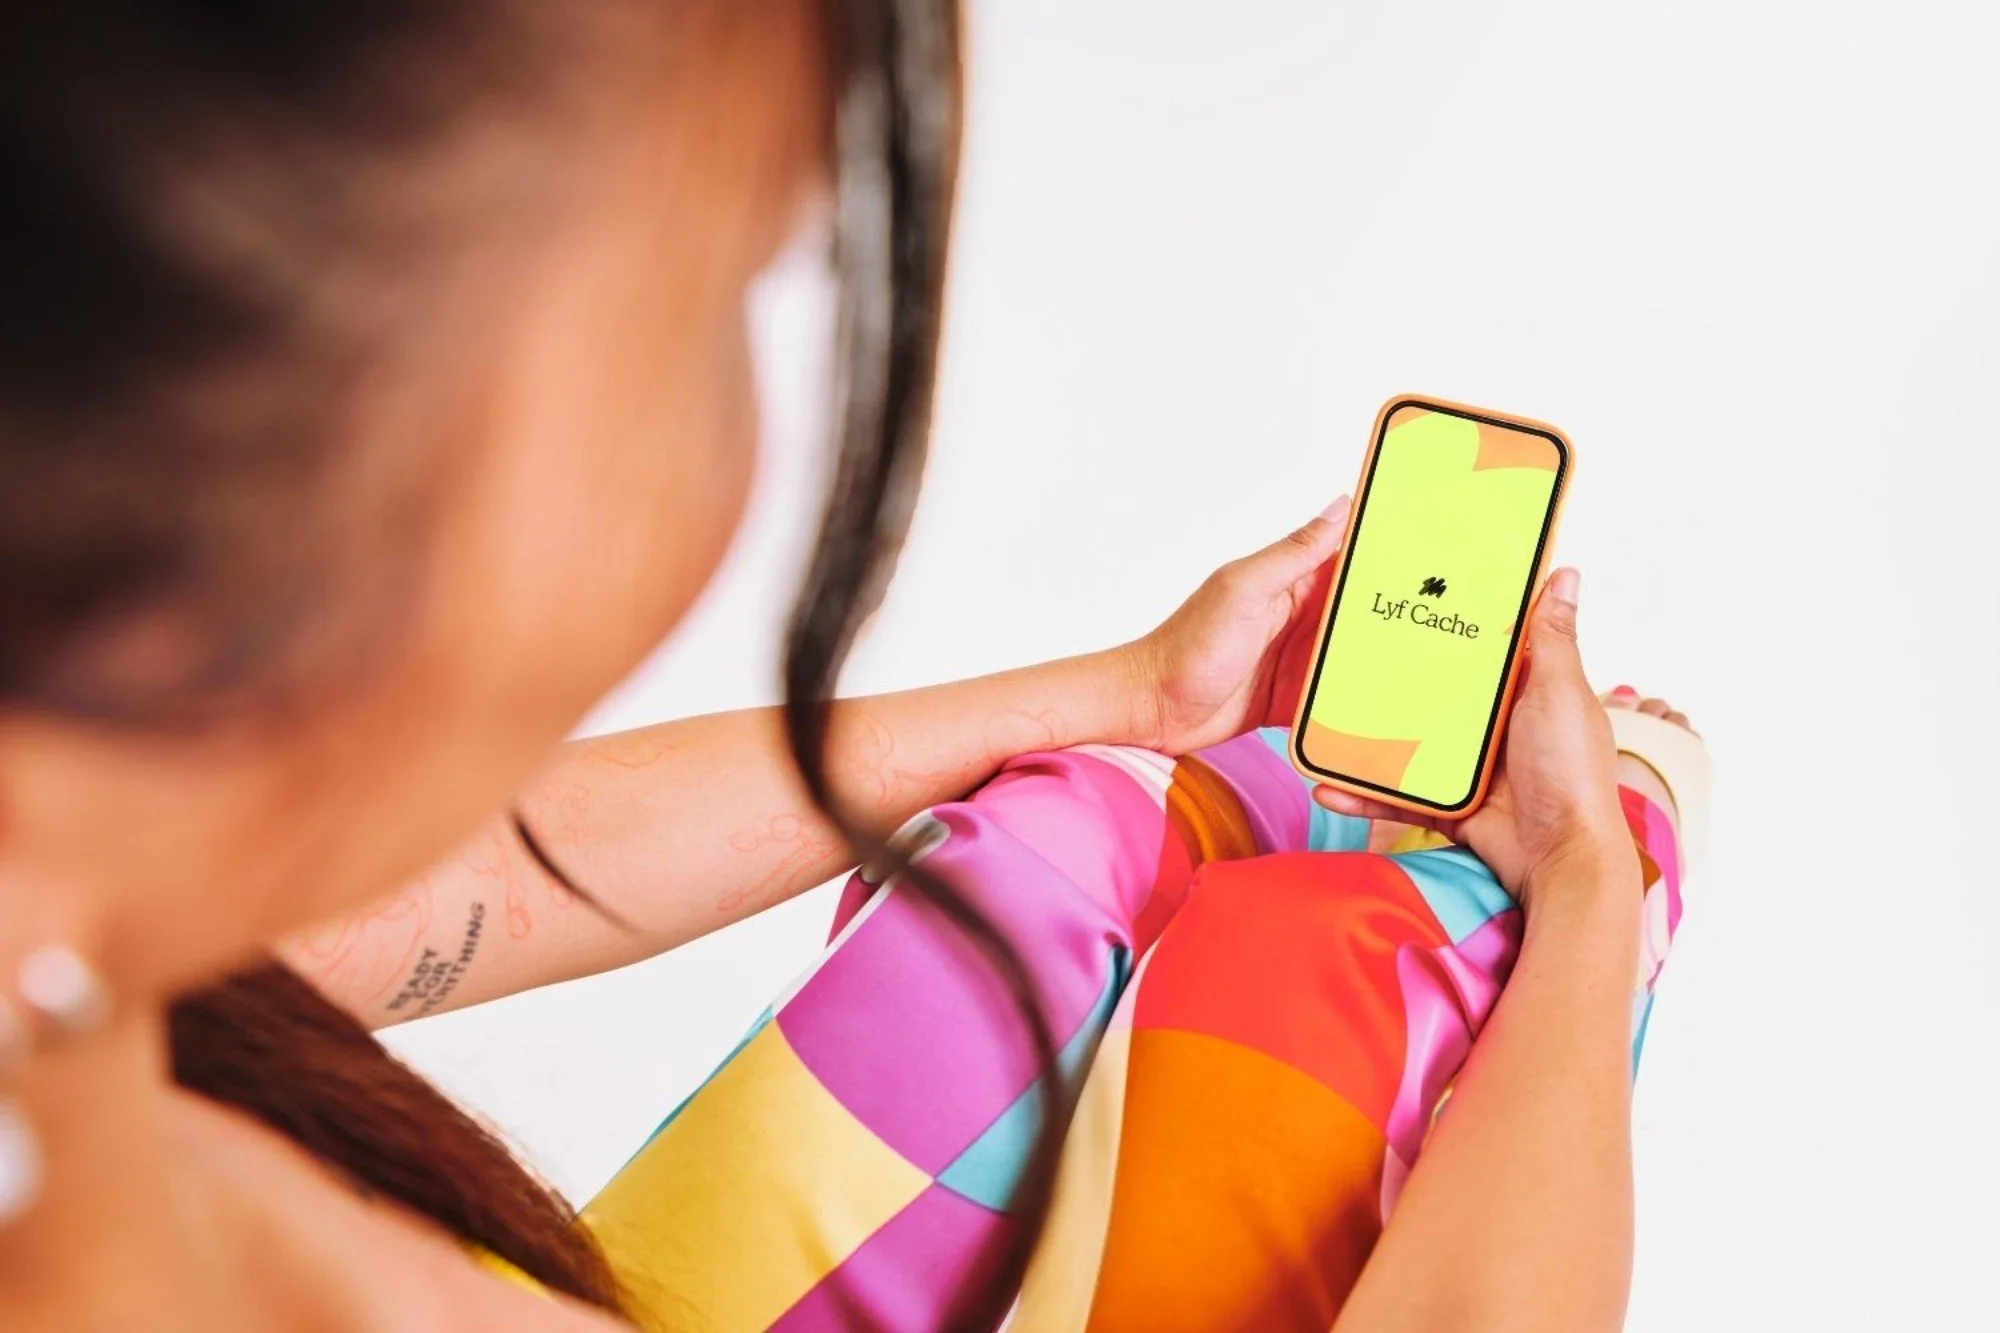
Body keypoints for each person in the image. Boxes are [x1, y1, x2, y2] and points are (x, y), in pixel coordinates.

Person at [0, 4, 1708, 1332]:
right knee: (1415, 909)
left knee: (1084, 836)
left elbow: (463, 887)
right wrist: (1588, 894)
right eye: (724, 292)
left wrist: (1129, 695)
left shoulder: (78, 922)